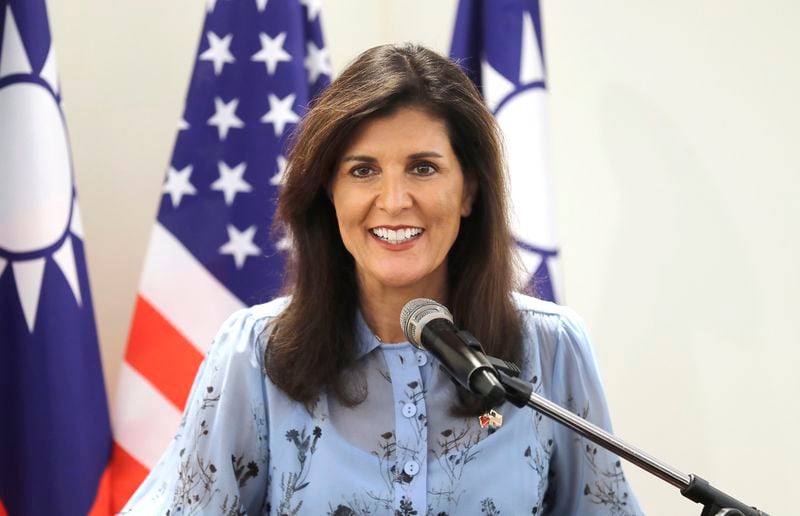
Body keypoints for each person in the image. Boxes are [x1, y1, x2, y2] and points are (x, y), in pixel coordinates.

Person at [122, 43, 642, 515]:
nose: (393, 201)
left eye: (423, 168)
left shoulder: (551, 349)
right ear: (329, 192)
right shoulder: (256, 352)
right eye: (363, 170)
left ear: (469, 192)